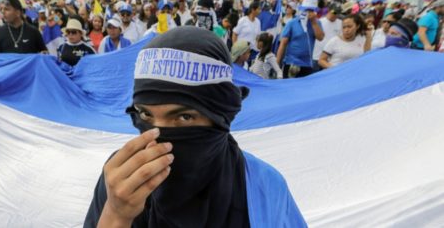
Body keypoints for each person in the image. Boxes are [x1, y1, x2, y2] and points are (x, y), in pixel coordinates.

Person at [83, 26, 306, 228]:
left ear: (219, 117)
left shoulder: (263, 187)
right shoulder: (122, 176)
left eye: (184, 117)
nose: (158, 140)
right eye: (146, 114)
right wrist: (116, 214)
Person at [276, 0, 325, 78]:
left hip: (307, 64)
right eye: (306, 10)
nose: (308, 13)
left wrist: (313, 22)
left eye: (311, 10)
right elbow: (283, 44)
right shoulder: (292, 23)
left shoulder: (317, 23)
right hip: (291, 62)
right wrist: (277, 63)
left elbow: (320, 38)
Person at [312, 4, 342, 71]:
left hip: (330, 59)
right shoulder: (320, 22)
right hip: (316, 56)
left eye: (338, 13)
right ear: (329, 11)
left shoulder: (341, 23)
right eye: (334, 12)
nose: (335, 15)